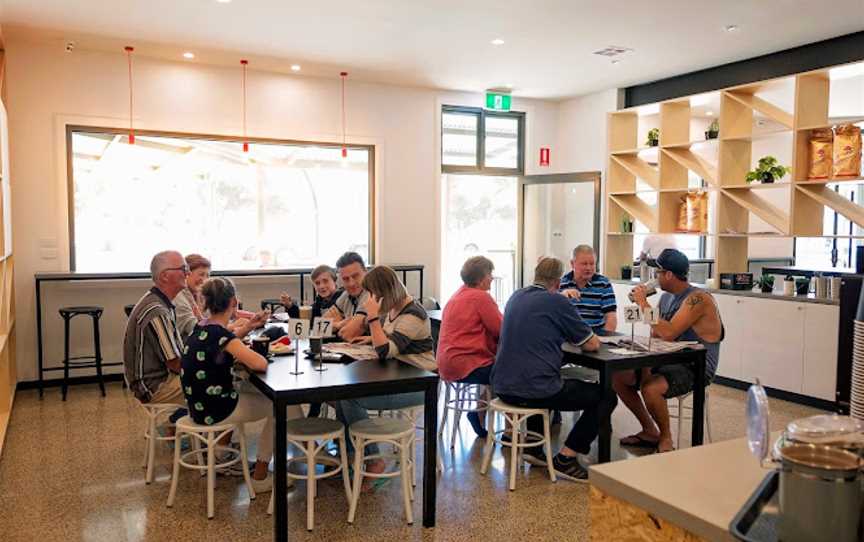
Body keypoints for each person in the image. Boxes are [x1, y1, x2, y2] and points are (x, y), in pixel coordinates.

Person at [491, 257, 611, 480]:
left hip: (502, 385)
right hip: (533, 390)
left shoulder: (516, 296)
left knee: (540, 375)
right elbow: (591, 344)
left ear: (535, 276)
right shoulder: (557, 302)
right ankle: (566, 457)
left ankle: (533, 448)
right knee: (606, 397)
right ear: (557, 283)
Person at [181, 276, 303, 492]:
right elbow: (260, 364)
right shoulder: (221, 335)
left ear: (205, 303)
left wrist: (248, 328)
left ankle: (221, 451)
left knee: (252, 389)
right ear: (234, 302)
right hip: (218, 409)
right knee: (280, 406)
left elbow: (223, 341)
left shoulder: (201, 327)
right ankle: (260, 475)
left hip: (198, 407)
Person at [614, 248, 723, 453]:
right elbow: (657, 334)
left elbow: (669, 333)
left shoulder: (698, 299)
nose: (655, 278)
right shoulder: (666, 298)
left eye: (658, 273)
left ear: (669, 275)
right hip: (669, 359)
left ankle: (666, 438)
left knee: (651, 388)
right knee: (619, 376)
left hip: (695, 366)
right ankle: (649, 430)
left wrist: (643, 303)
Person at [335, 265, 435, 484]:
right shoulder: (393, 309)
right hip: (398, 375)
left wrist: (371, 319)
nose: (370, 298)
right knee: (339, 397)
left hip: (419, 384)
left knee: (350, 398)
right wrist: (370, 338)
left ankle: (374, 459)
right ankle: (354, 456)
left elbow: (386, 351)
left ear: (384, 293)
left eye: (373, 294)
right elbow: (390, 339)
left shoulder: (414, 314)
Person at [437, 256, 502, 438]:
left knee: (495, 370)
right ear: (481, 278)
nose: (492, 278)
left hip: (446, 364)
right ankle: (510, 433)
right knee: (508, 374)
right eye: (490, 274)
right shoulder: (481, 297)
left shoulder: (457, 295)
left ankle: (478, 412)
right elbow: (501, 329)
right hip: (466, 364)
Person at [123, 251, 191, 406]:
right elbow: (174, 363)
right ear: (164, 276)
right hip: (155, 386)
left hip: (160, 379)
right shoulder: (156, 310)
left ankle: (181, 425)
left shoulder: (160, 301)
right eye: (183, 268)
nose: (188, 273)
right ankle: (182, 424)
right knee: (217, 385)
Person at [559, 245, 618, 333]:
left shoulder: (603, 283)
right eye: (584, 264)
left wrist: (605, 340)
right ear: (572, 264)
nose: (589, 268)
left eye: (592, 264)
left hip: (596, 336)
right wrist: (561, 296)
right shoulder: (562, 283)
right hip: (569, 336)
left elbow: (611, 317)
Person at [279, 264, 344, 320]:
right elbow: (305, 318)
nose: (321, 286)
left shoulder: (343, 298)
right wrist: (290, 306)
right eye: (317, 283)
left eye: (325, 281)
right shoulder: (320, 301)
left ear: (334, 280)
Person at [330, 252, 370, 341]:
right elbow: (319, 327)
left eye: (355, 276)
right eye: (345, 279)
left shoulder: (371, 292)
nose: (351, 283)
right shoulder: (346, 294)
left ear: (366, 272)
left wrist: (334, 325)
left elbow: (347, 334)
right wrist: (339, 324)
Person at [174, 254, 211, 338]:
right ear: (186, 274)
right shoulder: (178, 297)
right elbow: (198, 332)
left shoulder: (199, 295)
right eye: (201, 274)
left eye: (207, 276)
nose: (205, 280)